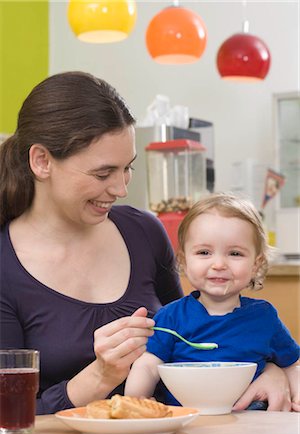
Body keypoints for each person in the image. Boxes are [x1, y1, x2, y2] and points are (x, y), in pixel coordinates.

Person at [0, 73, 292, 415]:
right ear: (42, 161)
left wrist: (272, 371)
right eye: (103, 173)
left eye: (128, 169)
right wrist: (101, 375)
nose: (121, 189)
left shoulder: (143, 232)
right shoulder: (5, 266)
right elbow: (9, 415)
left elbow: (196, 342)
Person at [125, 193, 300, 411]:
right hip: (188, 425)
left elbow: (292, 365)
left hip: (253, 423)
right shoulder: (171, 317)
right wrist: (135, 400)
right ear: (184, 261)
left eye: (235, 253)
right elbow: (149, 366)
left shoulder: (264, 317)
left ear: (256, 265)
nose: (219, 264)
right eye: (204, 252)